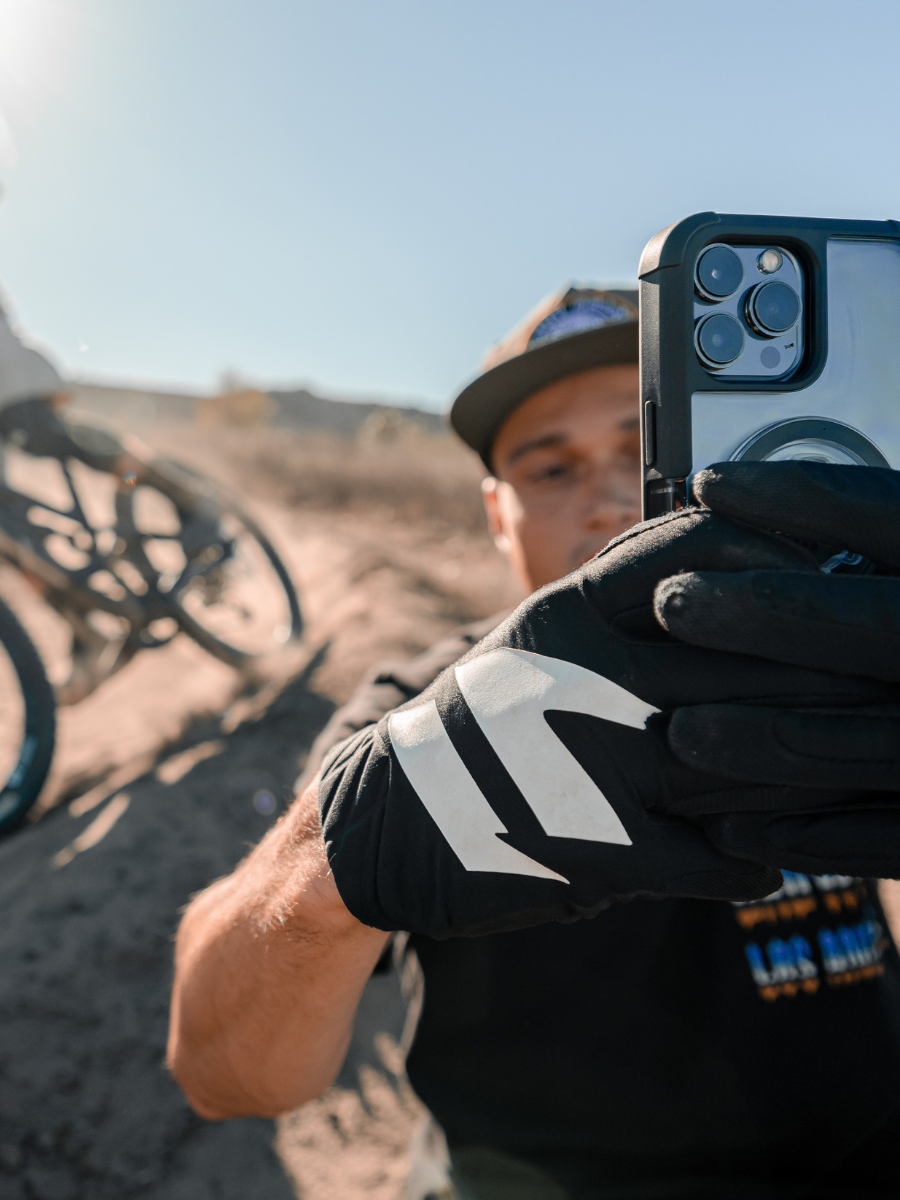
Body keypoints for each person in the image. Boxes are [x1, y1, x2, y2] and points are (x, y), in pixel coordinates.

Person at [168, 286, 900, 1199]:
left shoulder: (844, 661)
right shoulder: (418, 706)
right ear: (494, 512)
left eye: (646, 447)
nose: (606, 500)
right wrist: (330, 861)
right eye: (551, 469)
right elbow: (220, 1072)